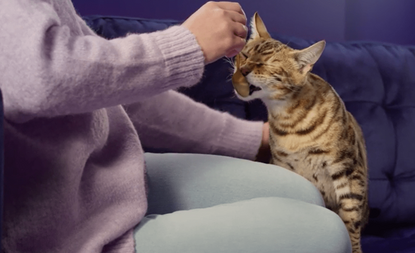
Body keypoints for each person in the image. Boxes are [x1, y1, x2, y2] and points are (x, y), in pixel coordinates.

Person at [0, 0, 351, 252]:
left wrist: (253, 138)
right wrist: (186, 45)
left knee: (304, 193)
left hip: (101, 183)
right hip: (64, 232)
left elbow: (111, 88)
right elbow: (40, 78)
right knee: (328, 234)